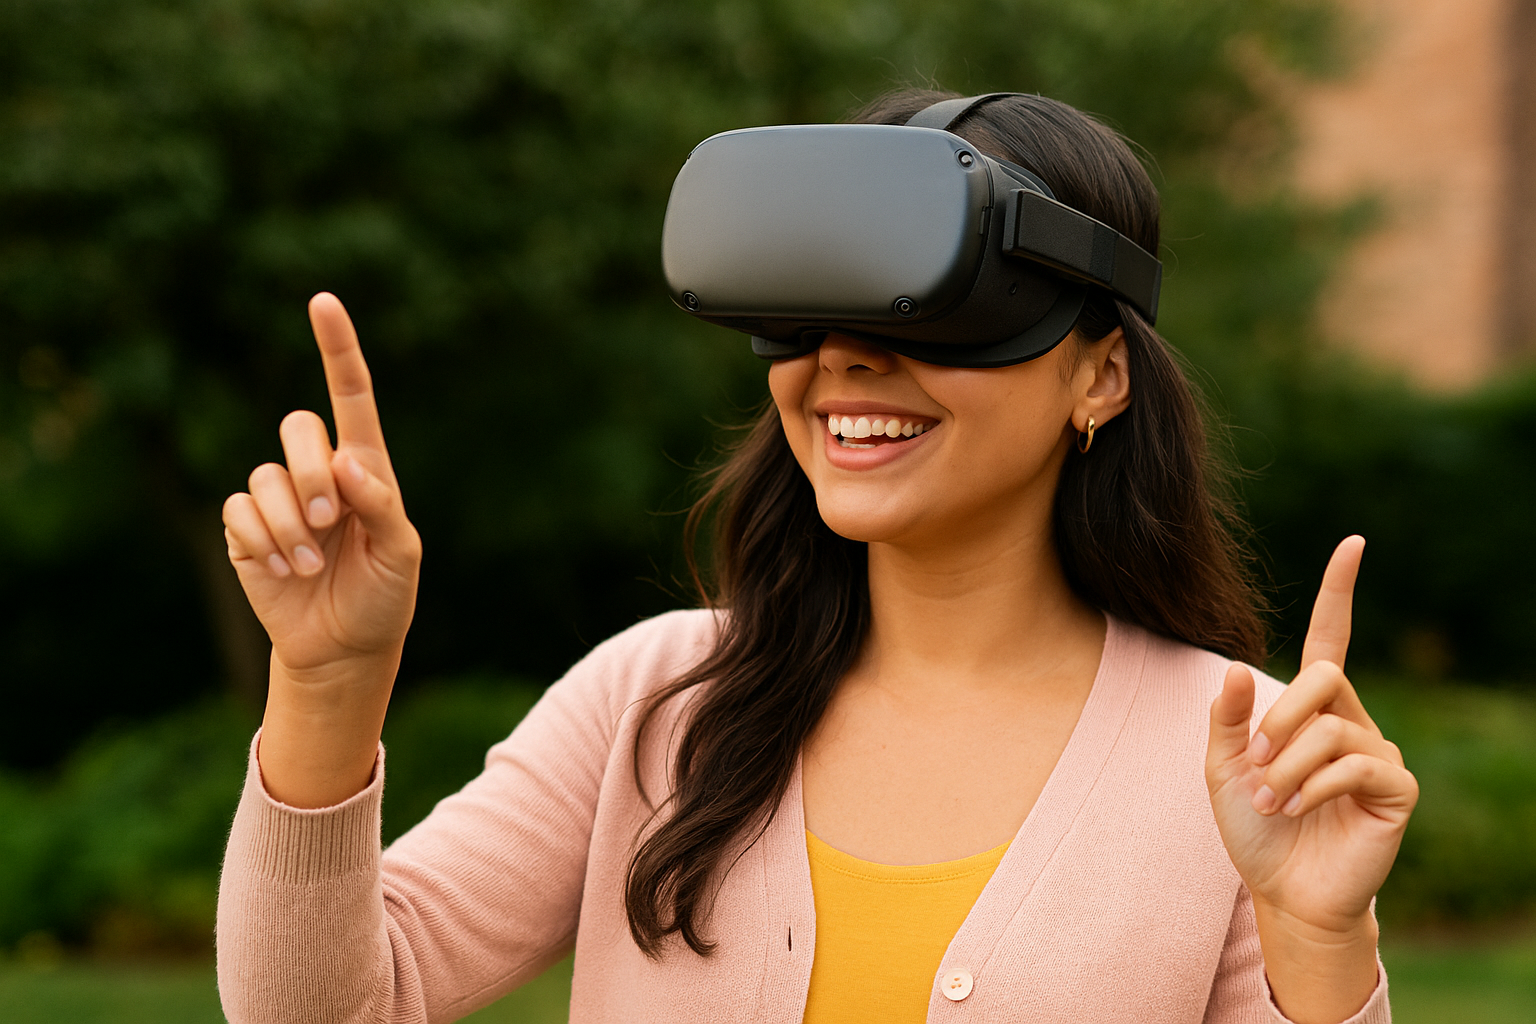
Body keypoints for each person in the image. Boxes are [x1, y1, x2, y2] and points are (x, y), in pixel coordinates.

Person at [215, 90, 1417, 1024]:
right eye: (805, 308)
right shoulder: (656, 702)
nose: (843, 360)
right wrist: (327, 686)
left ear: (1098, 370)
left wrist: (1322, 945)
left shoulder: (1243, 762)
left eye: (933, 308)